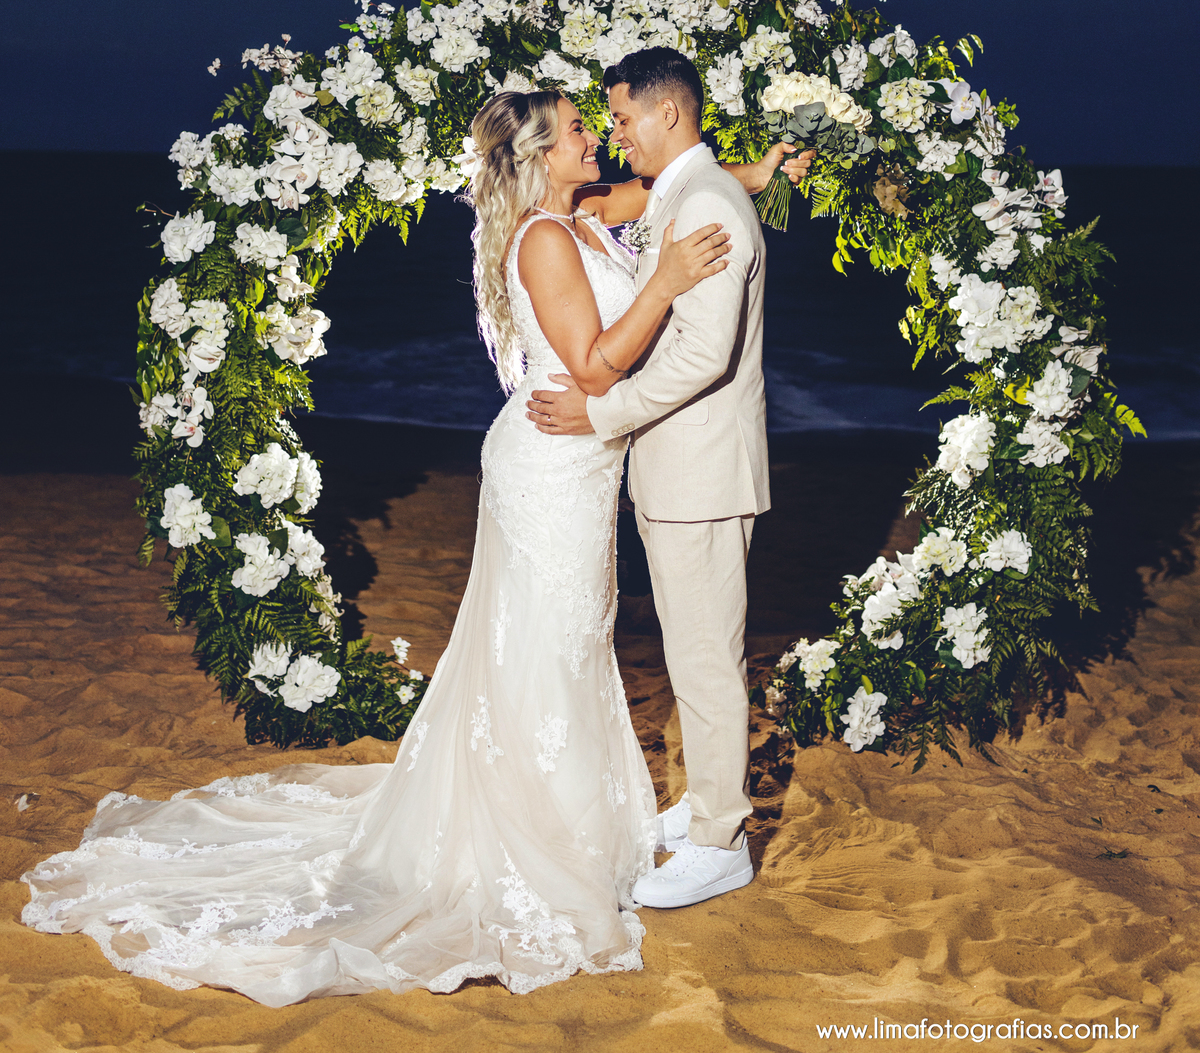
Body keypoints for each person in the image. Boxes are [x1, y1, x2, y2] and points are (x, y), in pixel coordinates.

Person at [21, 88, 801, 1002]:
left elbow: (665, 196)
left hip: (587, 468)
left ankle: (576, 815)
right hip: (552, 461)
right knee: (544, 643)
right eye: (582, 131)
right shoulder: (546, 241)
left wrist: (756, 173)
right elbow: (592, 369)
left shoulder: (586, 212)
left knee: (570, 642)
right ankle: (541, 834)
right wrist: (664, 282)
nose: (598, 136)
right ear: (544, 154)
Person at [527, 47, 794, 911]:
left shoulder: (705, 202)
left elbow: (702, 355)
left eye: (623, 118)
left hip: (704, 470)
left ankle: (722, 841)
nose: (615, 134)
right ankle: (705, 806)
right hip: (680, 468)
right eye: (602, 123)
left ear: (669, 115)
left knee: (709, 658)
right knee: (692, 648)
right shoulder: (688, 193)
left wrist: (604, 417)